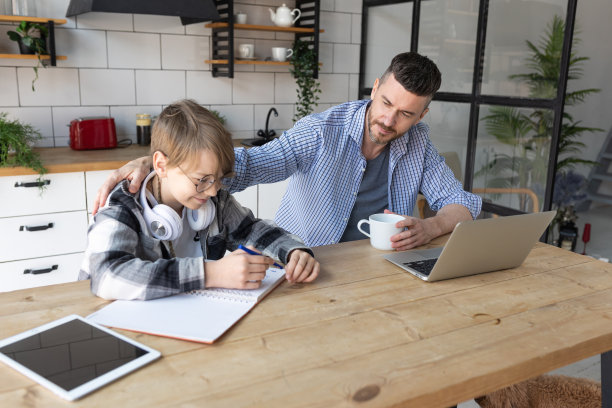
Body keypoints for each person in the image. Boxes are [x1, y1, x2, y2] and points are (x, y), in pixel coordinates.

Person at [92, 52, 481, 250]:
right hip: (309, 262)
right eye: (384, 103)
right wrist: (168, 163)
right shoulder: (321, 132)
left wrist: (430, 227)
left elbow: (460, 202)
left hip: (384, 269)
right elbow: (248, 166)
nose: (388, 120)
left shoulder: (419, 143)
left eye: (405, 114)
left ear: (422, 114)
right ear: (376, 86)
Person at [80, 100, 319, 301]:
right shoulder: (123, 206)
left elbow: (251, 230)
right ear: (161, 165)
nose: (214, 191)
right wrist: (210, 273)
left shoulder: (213, 200)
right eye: (202, 179)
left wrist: (292, 251)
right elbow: (106, 273)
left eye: (219, 178)